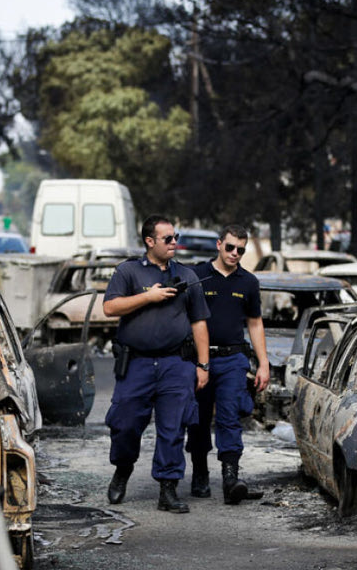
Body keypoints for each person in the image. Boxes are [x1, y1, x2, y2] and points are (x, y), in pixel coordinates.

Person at [103, 214, 211, 514]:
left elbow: (199, 322)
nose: (174, 243)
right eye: (168, 239)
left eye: (175, 237)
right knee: (124, 423)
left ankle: (168, 488)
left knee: (173, 427)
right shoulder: (128, 271)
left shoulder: (187, 276)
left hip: (176, 363)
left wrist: (203, 366)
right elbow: (110, 307)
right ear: (150, 242)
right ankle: (122, 471)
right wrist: (147, 297)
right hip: (136, 362)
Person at [186, 224, 270, 504]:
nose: (235, 254)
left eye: (241, 250)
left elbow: (255, 323)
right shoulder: (197, 275)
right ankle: (199, 473)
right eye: (231, 247)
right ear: (219, 244)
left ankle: (231, 478)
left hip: (232, 359)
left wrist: (263, 364)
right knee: (196, 419)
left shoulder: (248, 282)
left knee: (229, 417)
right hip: (199, 359)